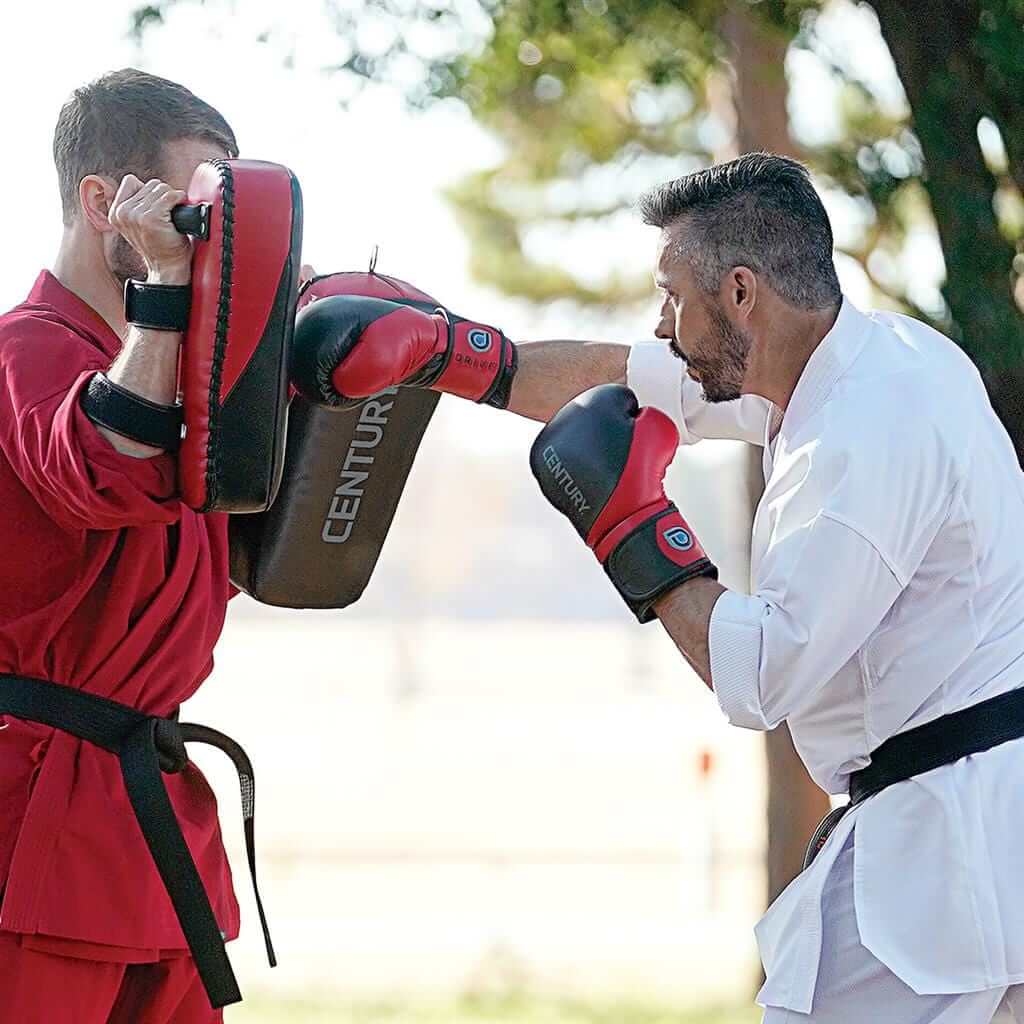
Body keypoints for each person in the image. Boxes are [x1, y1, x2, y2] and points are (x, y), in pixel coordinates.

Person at [298, 152, 1024, 1022]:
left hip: (947, 857)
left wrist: (637, 535)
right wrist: (456, 357)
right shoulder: (864, 361)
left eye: (673, 294)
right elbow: (633, 379)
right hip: (968, 835)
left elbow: (761, 680)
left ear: (742, 293)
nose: (662, 319)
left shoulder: (861, 445)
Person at [0, 68, 244, 1024]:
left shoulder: (191, 374)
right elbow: (105, 464)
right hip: (37, 831)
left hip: (152, 815)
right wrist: (172, 292)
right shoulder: (27, 348)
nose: (203, 242)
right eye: (188, 216)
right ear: (104, 202)